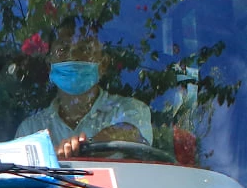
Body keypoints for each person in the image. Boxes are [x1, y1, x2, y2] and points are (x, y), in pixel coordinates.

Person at [15, 21, 155, 161]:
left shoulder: (131, 109)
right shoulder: (31, 129)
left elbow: (131, 132)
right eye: (63, 50)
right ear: (49, 65)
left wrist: (84, 147)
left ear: (103, 64)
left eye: (85, 49)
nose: (73, 56)